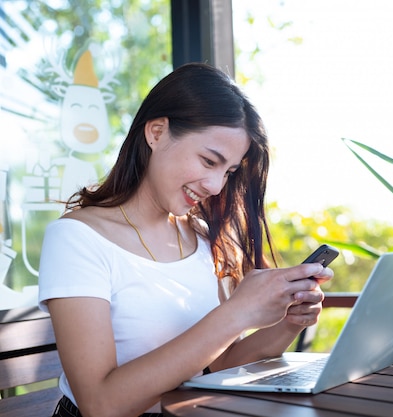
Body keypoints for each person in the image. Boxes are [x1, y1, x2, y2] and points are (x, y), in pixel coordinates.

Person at [38, 63, 333, 417]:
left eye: (228, 171)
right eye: (209, 160)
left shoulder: (204, 238)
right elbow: (100, 405)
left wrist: (289, 320)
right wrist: (237, 313)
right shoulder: (76, 239)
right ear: (157, 132)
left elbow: (217, 366)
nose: (216, 185)